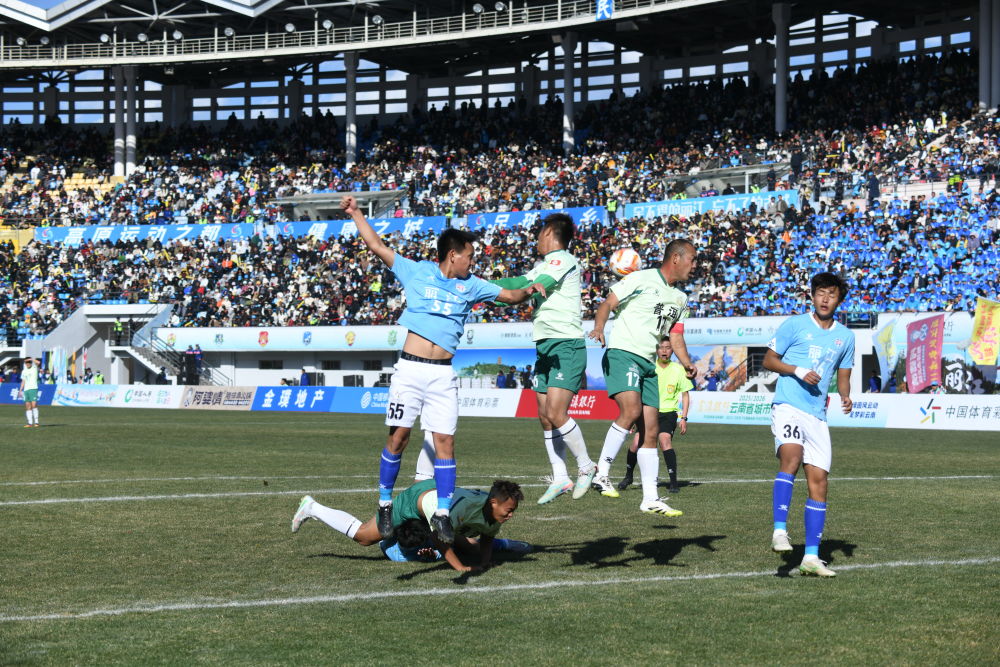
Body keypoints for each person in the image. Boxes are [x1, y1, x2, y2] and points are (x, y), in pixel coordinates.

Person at [340, 194, 544, 545]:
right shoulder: (417, 271)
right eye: (470, 255)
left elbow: (510, 297)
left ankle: (444, 512)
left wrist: (530, 290)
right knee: (398, 437)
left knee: (445, 442)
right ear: (453, 254)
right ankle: (385, 503)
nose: (472, 261)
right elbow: (376, 245)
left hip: (442, 374)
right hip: (410, 370)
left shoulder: (473, 285)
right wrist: (356, 212)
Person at [490, 213, 598, 504]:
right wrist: (482, 285)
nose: (536, 239)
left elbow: (541, 283)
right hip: (545, 347)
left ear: (549, 232)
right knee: (544, 416)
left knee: (556, 412)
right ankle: (560, 477)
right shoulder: (543, 265)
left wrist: (527, 287)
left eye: (539, 233)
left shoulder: (563, 260)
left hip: (566, 345)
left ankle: (587, 466)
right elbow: (517, 282)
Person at [587, 239, 697, 516]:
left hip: (648, 364)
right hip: (624, 353)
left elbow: (675, 336)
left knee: (650, 432)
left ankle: (650, 498)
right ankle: (601, 473)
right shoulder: (640, 278)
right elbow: (607, 303)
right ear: (675, 258)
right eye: (692, 259)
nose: (695, 266)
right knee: (631, 410)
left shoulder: (681, 299)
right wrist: (599, 327)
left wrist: (686, 363)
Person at [764, 272, 855, 577]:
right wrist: (798, 370)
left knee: (819, 482)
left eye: (831, 294)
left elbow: (843, 374)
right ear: (812, 296)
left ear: (839, 300)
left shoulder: (846, 337)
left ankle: (811, 558)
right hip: (788, 405)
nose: (825, 299)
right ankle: (779, 531)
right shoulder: (795, 325)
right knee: (791, 456)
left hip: (817, 415)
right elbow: (768, 360)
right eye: (820, 293)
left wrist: (845, 396)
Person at [291, 479, 527, 572]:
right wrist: (459, 568)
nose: (511, 515)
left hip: (437, 502)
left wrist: (484, 562)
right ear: (493, 502)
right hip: (415, 501)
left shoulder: (492, 511)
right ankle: (312, 507)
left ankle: (509, 545)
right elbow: (439, 539)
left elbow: (487, 536)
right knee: (364, 537)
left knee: (467, 545)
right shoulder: (463, 509)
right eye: (509, 510)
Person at [618, 337, 693, 494]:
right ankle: (628, 476)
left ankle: (673, 483)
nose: (664, 351)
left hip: (668, 413)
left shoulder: (678, 369)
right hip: (648, 411)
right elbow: (638, 393)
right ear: (656, 350)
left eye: (668, 347)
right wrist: (634, 417)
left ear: (673, 350)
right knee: (635, 443)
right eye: (661, 347)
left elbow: (685, 395)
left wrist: (684, 418)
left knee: (664, 441)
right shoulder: (649, 367)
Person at [19, 357, 40, 428]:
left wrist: (31, 359)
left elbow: (38, 362)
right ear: (25, 363)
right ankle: (29, 423)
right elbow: (23, 381)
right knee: (28, 406)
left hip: (33, 389)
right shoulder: (24, 371)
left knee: (34, 405)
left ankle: (36, 422)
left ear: (31, 362)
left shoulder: (34, 368)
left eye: (29, 362)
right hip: (26, 390)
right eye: (26, 362)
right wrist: (20, 390)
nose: (27, 363)